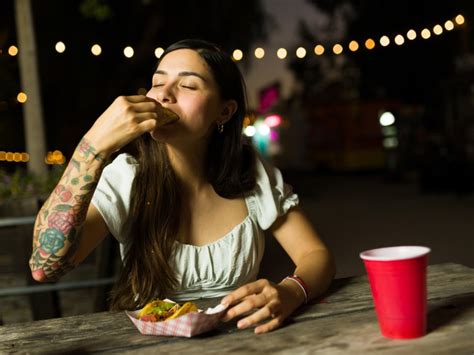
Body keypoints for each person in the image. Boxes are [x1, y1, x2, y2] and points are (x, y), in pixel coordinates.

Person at [29, 39, 335, 334]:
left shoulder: (248, 170)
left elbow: (316, 254)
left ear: (224, 112)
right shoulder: (126, 176)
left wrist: (291, 292)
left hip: (244, 341)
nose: (164, 95)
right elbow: (45, 267)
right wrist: (91, 149)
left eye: (187, 85)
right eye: (158, 83)